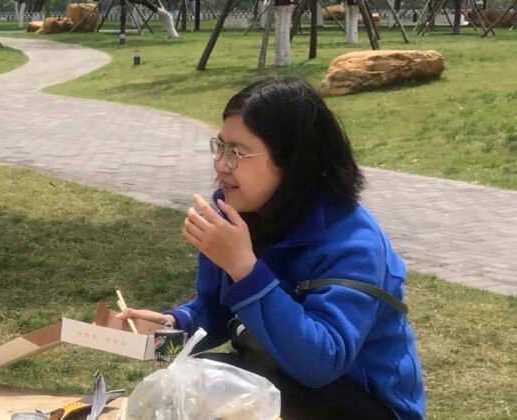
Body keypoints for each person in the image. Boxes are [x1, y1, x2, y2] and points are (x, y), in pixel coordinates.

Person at [116, 77, 425, 419]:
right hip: (281, 380)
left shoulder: (353, 241)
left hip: (360, 404)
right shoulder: (239, 216)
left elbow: (321, 363)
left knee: (225, 393)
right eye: (220, 146)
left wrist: (245, 270)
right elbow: (216, 311)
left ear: (292, 160)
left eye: (237, 152)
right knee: (185, 381)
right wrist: (167, 331)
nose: (221, 164)